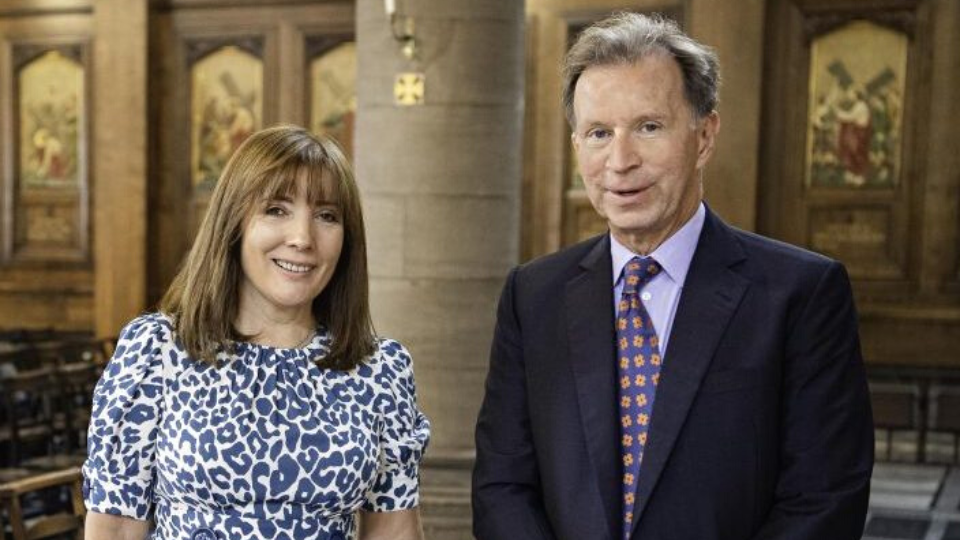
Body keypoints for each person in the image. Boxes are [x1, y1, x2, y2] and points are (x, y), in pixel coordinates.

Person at [472, 12, 873, 540]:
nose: (620, 160)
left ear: (704, 136)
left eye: (648, 127)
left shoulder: (800, 293)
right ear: (576, 148)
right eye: (598, 133)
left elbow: (825, 497)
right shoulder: (534, 295)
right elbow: (502, 485)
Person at [83, 125, 430, 540]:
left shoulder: (379, 368)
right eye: (276, 210)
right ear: (235, 224)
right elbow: (117, 528)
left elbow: (392, 532)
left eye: (326, 216)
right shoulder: (157, 351)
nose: (303, 238)